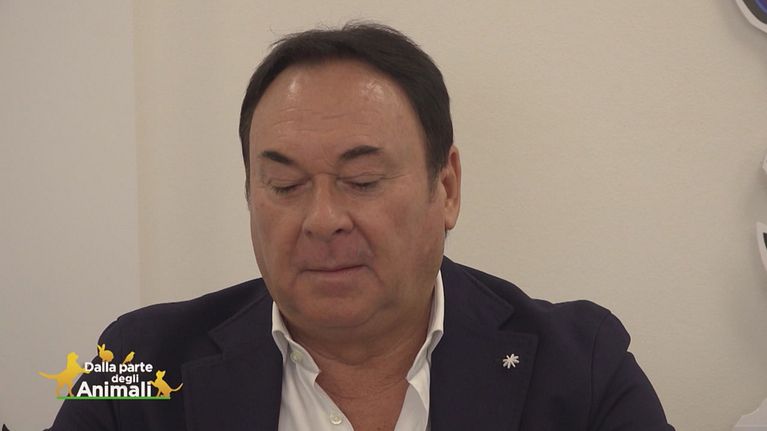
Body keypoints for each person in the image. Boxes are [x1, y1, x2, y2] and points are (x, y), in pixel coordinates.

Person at [49, 23, 674, 430]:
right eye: (285, 185)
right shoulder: (139, 365)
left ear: (447, 188)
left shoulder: (579, 369)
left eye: (363, 180)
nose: (322, 221)